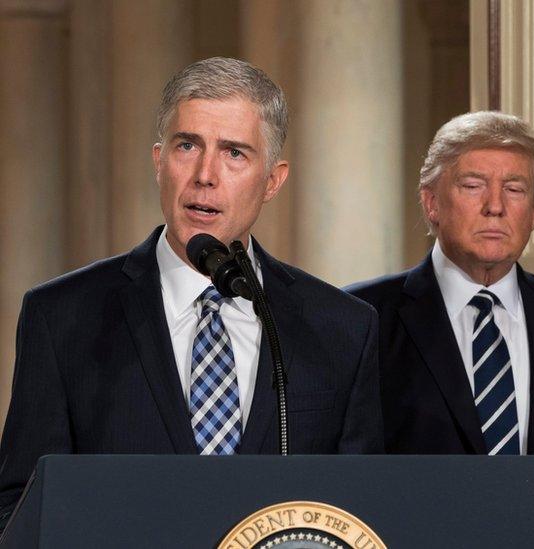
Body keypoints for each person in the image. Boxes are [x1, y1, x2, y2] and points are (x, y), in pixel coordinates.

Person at [0, 57, 383, 527]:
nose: (206, 174)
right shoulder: (62, 317)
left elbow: (362, 512)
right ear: (159, 161)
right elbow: (20, 509)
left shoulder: (341, 328)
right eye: (188, 146)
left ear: (273, 180)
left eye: (235, 153)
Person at [347, 111, 534, 548]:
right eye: (473, 186)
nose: (495, 206)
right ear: (431, 202)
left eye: (515, 189)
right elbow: (343, 483)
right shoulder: (361, 318)